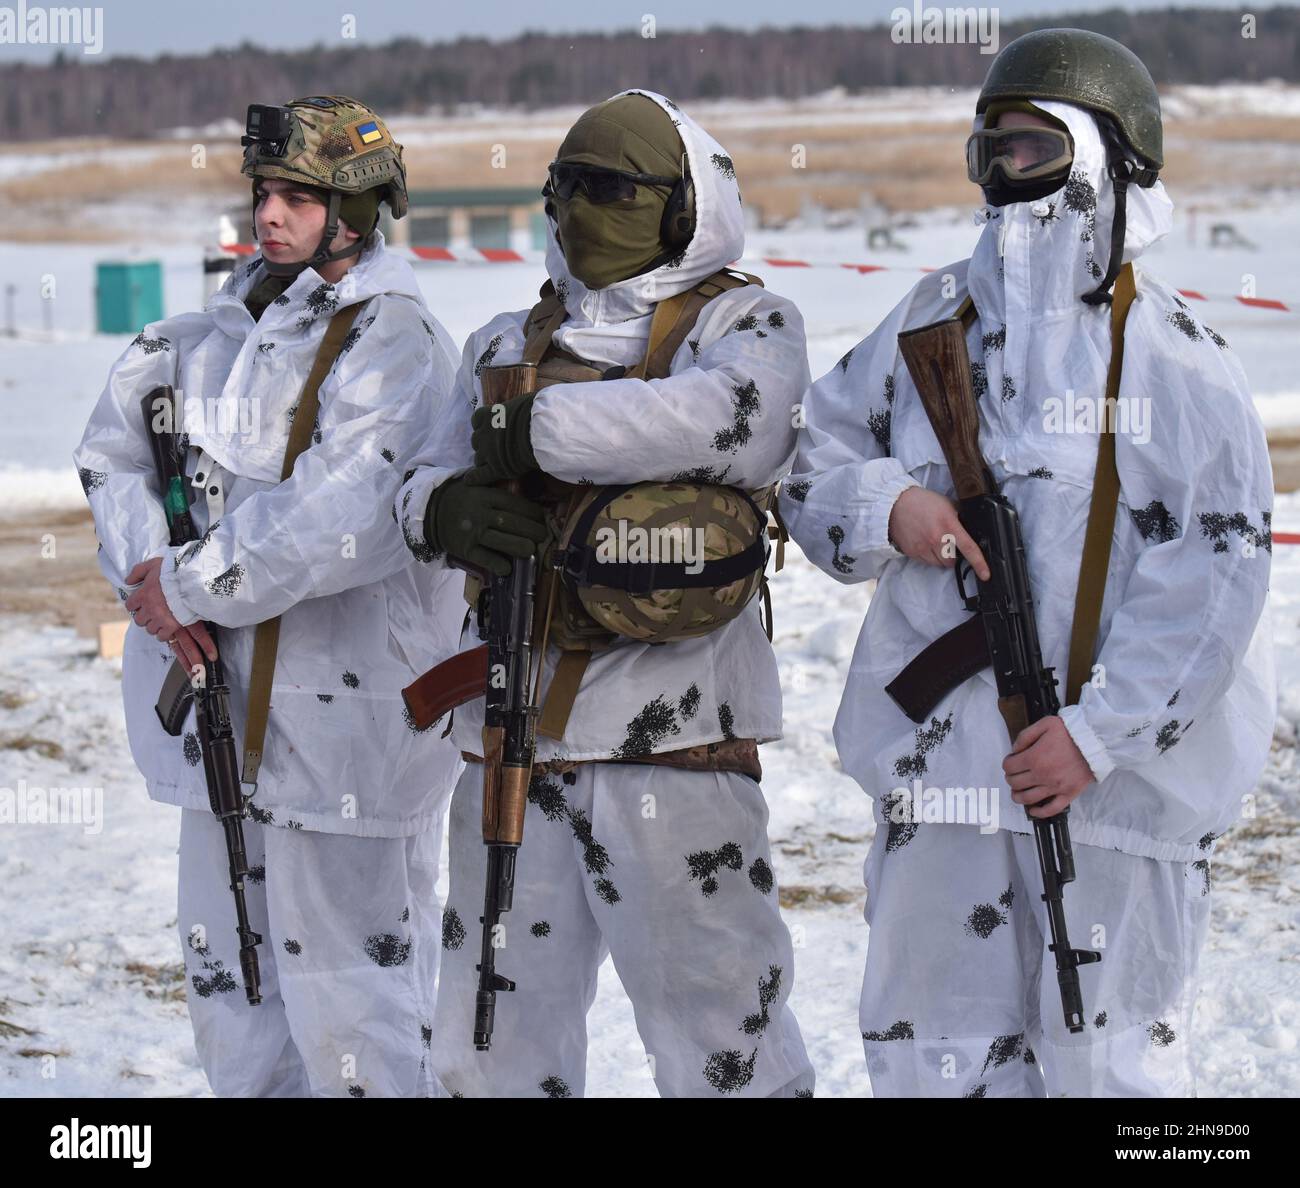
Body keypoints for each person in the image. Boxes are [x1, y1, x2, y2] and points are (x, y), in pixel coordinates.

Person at [780, 29, 1275, 1097]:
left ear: (1105, 162)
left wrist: (1096, 737)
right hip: (942, 785)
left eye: (1034, 149)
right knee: (929, 1055)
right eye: (990, 149)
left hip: (1105, 801)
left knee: (1106, 1065)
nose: (1007, 176)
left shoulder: (1174, 359)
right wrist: (888, 505)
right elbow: (810, 452)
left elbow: (1216, 577)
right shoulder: (929, 323)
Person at [396, 89, 815, 1098]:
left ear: (682, 207)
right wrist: (442, 510)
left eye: (611, 190)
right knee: (486, 1041)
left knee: (723, 1033)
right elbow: (412, 477)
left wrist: (535, 434)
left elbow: (734, 423)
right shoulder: (503, 344)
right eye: (565, 188)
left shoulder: (744, 324)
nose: (580, 212)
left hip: (675, 754)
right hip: (510, 743)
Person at [74, 95, 465, 1097]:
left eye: (299, 194)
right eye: (264, 191)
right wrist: (148, 575)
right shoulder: (202, 336)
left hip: (348, 734)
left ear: (359, 208)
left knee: (354, 1003)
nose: (271, 213)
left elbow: (345, 511)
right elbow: (112, 451)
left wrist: (191, 583)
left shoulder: (396, 343)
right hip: (217, 726)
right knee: (230, 990)